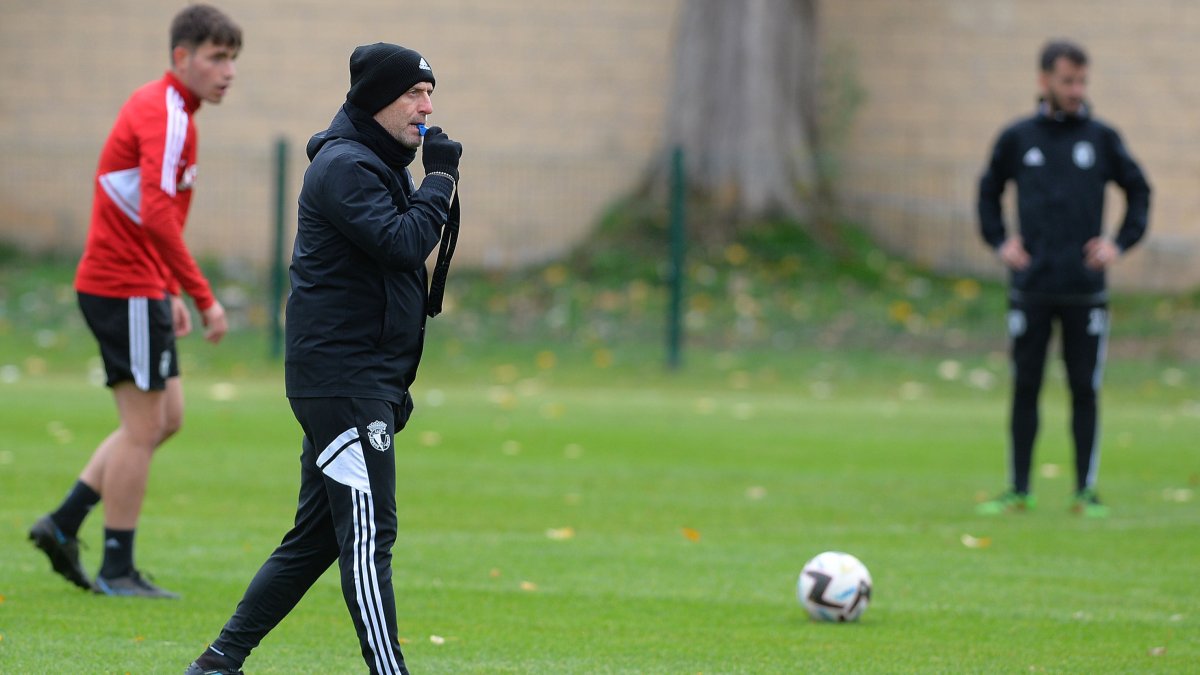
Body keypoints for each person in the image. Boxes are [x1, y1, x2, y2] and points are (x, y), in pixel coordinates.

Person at [185, 42, 462, 675]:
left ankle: (217, 663)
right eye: (415, 94)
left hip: (360, 381)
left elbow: (390, 276)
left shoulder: (377, 162)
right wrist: (441, 180)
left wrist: (391, 385)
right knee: (370, 540)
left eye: (430, 94)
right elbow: (402, 244)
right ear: (376, 101)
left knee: (316, 540)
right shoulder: (344, 167)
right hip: (340, 382)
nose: (427, 106)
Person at [28, 4, 240, 598]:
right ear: (182, 57)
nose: (228, 71)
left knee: (165, 420)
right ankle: (117, 568)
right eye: (216, 57)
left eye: (232, 59)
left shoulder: (175, 114)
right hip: (121, 287)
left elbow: (140, 212)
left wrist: (167, 289)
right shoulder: (166, 112)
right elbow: (154, 213)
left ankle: (63, 523)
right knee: (143, 428)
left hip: (136, 284)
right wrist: (202, 297)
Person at [975, 39, 1150, 517]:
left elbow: (1139, 191)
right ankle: (1018, 489)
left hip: (1084, 292)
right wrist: (1000, 241)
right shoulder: (1018, 138)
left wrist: (1117, 243)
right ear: (1044, 80)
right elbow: (988, 190)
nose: (1076, 91)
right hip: (1030, 289)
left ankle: (1084, 490)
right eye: (1068, 80)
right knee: (1025, 386)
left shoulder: (1101, 139)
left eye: (1082, 82)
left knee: (1083, 389)